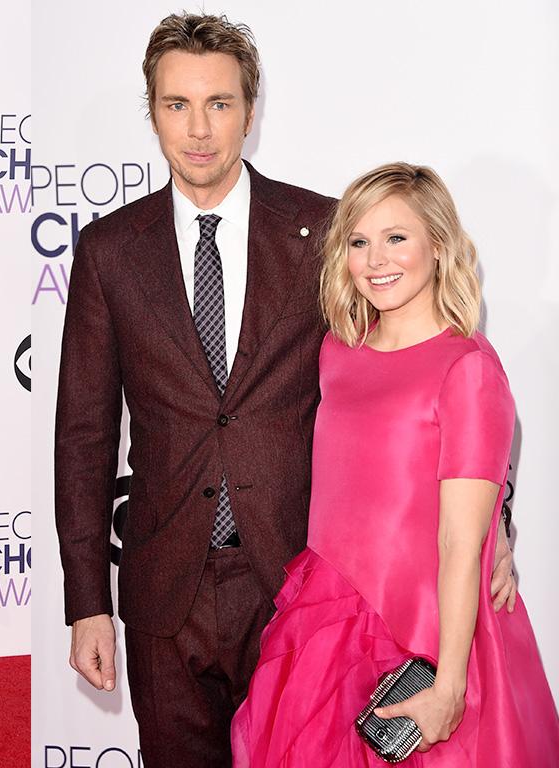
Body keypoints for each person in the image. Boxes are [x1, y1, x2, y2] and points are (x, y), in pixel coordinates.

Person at [53, 13, 517, 767]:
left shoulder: (325, 232)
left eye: (220, 103)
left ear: (251, 108)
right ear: (152, 112)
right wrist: (86, 603)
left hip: (299, 590)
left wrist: (500, 521)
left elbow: (435, 371)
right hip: (162, 587)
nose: (199, 129)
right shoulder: (110, 249)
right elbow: (83, 435)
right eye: (177, 104)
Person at [231, 162, 559, 765]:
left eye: (397, 237)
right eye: (359, 241)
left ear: (438, 245)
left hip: (429, 638)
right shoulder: (337, 351)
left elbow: (460, 542)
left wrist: (450, 688)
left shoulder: (467, 369)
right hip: (328, 625)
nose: (376, 259)